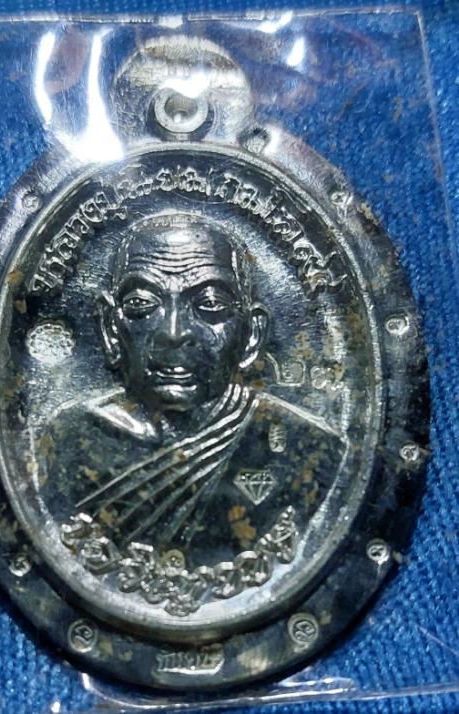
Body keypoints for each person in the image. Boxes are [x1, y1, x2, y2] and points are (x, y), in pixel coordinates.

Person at [39, 213, 345, 569]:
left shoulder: (305, 448)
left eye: (210, 305)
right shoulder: (67, 441)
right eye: (142, 305)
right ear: (110, 328)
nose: (173, 333)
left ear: (251, 335)